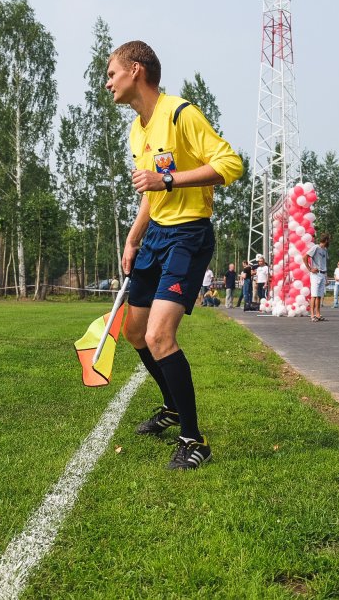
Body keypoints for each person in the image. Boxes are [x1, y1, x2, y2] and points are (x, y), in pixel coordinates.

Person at [106, 40, 243, 469]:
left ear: (135, 70)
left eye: (112, 73)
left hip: (188, 236)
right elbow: (151, 191)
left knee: (159, 337)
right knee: (134, 332)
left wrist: (168, 182)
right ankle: (170, 407)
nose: (107, 82)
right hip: (156, 237)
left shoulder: (181, 112)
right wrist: (133, 237)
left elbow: (231, 165)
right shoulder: (136, 129)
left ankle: (194, 440)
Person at [305, 233, 330, 322]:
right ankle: (312, 315)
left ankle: (318, 314)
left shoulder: (325, 250)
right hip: (316, 274)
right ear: (326, 240)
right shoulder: (316, 247)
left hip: (322, 273)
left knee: (319, 296)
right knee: (314, 295)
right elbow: (305, 256)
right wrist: (310, 268)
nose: (329, 242)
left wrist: (326, 277)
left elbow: (324, 263)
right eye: (328, 240)